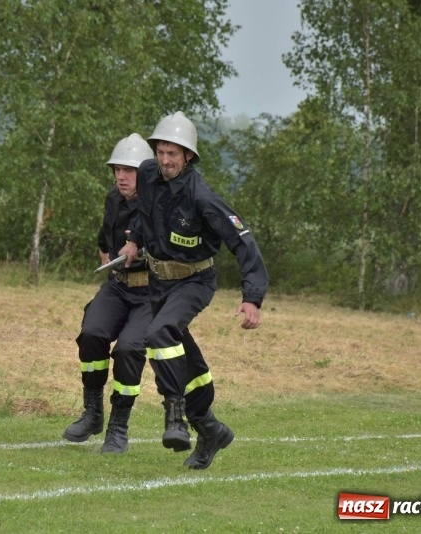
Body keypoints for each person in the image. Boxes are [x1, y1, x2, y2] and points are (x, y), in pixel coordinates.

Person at [118, 111, 269, 469]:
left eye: (174, 153)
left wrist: (252, 297)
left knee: (159, 334)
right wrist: (134, 242)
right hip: (158, 281)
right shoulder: (148, 175)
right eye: (162, 151)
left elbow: (243, 241)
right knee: (183, 358)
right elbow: (144, 214)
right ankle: (210, 428)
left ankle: (175, 416)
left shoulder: (203, 198)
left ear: (188, 156)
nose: (165, 160)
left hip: (194, 282)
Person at [63, 133, 155, 453]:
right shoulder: (112, 198)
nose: (121, 176)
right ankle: (92, 414)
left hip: (151, 293)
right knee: (91, 333)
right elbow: (106, 233)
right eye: (117, 169)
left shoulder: (160, 204)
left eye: (128, 170)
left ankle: (118, 427)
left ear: (145, 173)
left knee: (129, 349)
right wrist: (104, 252)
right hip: (118, 286)